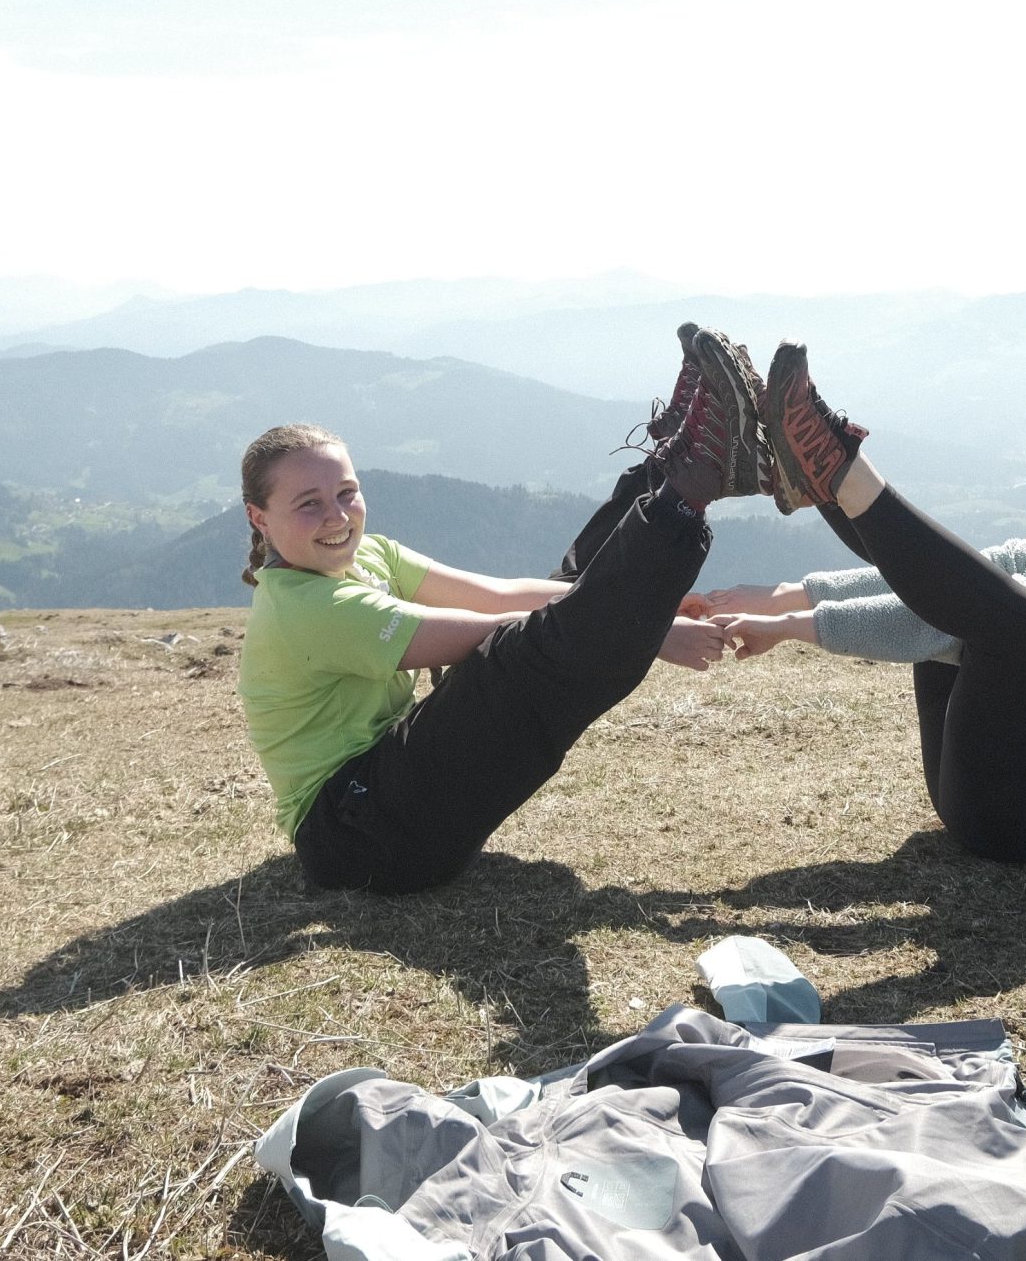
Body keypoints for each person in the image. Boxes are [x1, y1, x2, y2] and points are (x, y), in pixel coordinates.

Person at [236, 328, 770, 894]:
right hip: (359, 837)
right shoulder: (306, 609)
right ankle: (689, 489)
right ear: (259, 517)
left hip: (388, 792)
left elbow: (499, 595)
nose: (338, 516)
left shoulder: (370, 553)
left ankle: (676, 468)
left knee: (565, 593)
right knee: (529, 651)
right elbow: (491, 634)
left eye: (346, 492)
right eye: (309, 503)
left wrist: (637, 607)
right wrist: (650, 628)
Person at [699, 343, 1026, 864]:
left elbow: (955, 619)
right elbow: (965, 574)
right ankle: (821, 477)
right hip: (991, 797)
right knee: (958, 586)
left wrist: (792, 625)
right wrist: (789, 594)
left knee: (1013, 622)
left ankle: (838, 469)